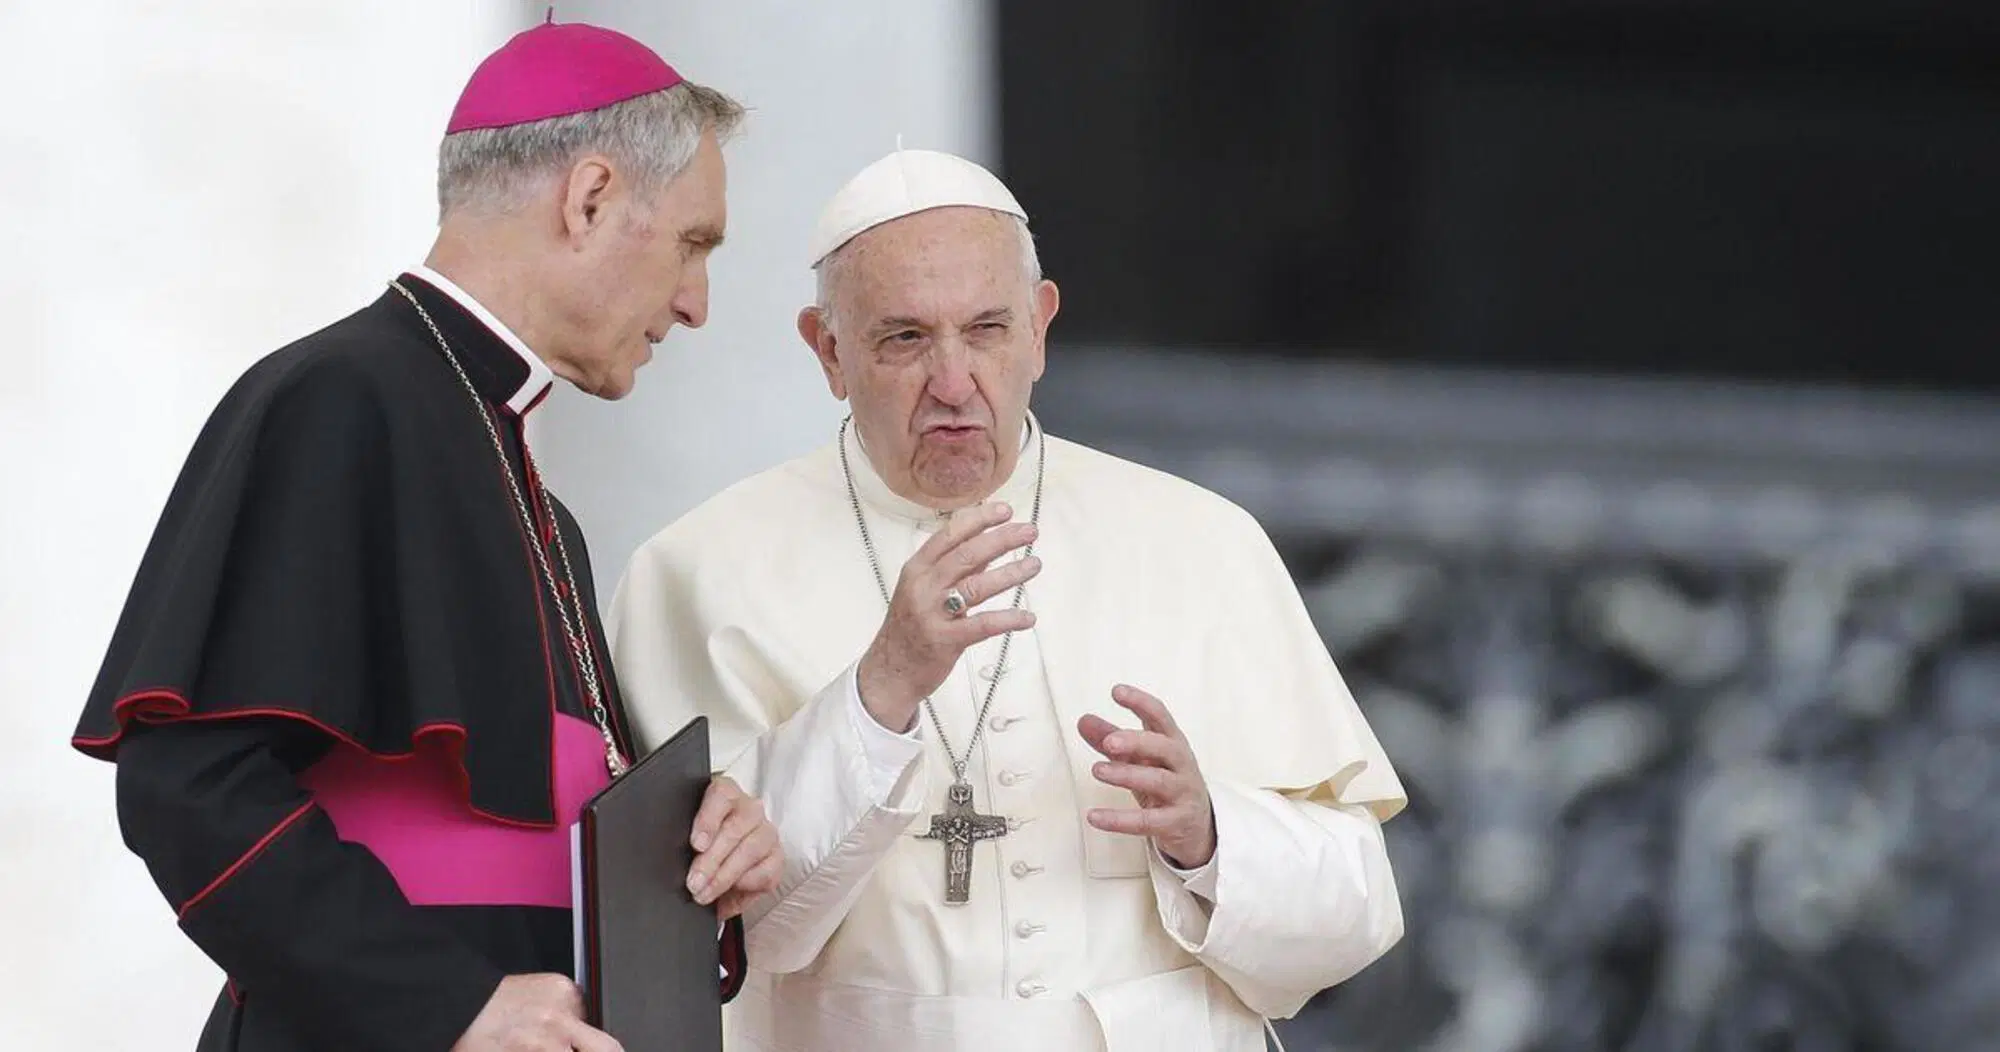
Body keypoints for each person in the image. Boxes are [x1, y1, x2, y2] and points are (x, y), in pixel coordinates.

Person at [70, 19, 781, 1052]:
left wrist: (696, 857)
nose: (696, 302)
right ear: (588, 199)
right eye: (692, 242)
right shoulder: (336, 398)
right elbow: (188, 785)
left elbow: (536, 832)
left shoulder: (543, 508)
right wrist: (443, 1004)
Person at [606, 148, 1408, 1051]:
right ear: (829, 351)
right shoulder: (699, 571)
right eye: (904, 338)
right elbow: (704, 938)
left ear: (1040, 326)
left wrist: (1211, 836)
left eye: (986, 329)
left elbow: (1360, 909)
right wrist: (881, 690)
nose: (954, 384)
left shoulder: (1203, 541)